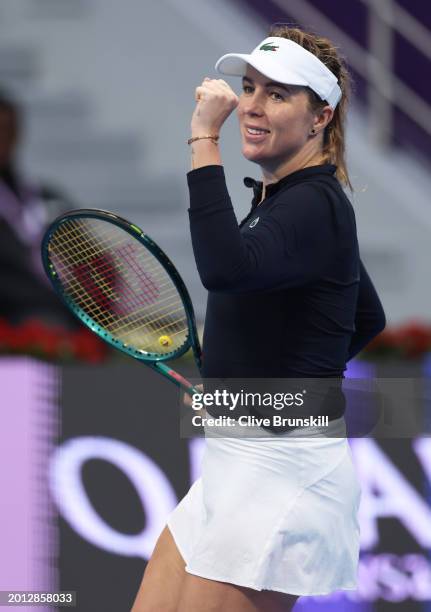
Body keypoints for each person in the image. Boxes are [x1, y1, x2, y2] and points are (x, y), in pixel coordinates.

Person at [132, 25, 386, 612]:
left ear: (320, 117)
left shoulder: (312, 203)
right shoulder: (289, 201)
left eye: (277, 94)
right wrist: (271, 384)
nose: (250, 104)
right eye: (249, 87)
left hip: (281, 474)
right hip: (237, 461)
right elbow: (363, 315)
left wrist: (203, 138)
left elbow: (223, 268)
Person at [0, 89, 76, 326]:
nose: (3, 139)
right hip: (19, 325)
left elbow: (88, 257)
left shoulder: (45, 195)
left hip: (62, 319)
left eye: (8, 130)